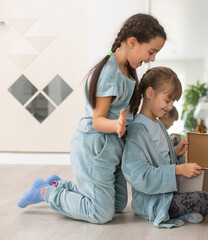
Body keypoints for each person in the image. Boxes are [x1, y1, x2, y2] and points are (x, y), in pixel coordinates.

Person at [17, 13, 166, 224]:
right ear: (132, 42)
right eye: (151, 52)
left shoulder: (128, 71)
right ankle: (45, 192)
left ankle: (58, 185)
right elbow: (97, 120)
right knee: (100, 213)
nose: (152, 59)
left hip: (113, 149)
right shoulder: (108, 71)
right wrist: (117, 124)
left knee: (118, 204)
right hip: (95, 148)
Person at [121, 67, 208, 228]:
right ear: (150, 93)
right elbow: (137, 175)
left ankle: (198, 205)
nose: (170, 106)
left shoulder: (158, 124)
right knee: (203, 200)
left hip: (171, 190)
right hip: (155, 201)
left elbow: (164, 159)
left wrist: (177, 153)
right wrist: (177, 170)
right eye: (167, 100)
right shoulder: (138, 130)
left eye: (172, 102)